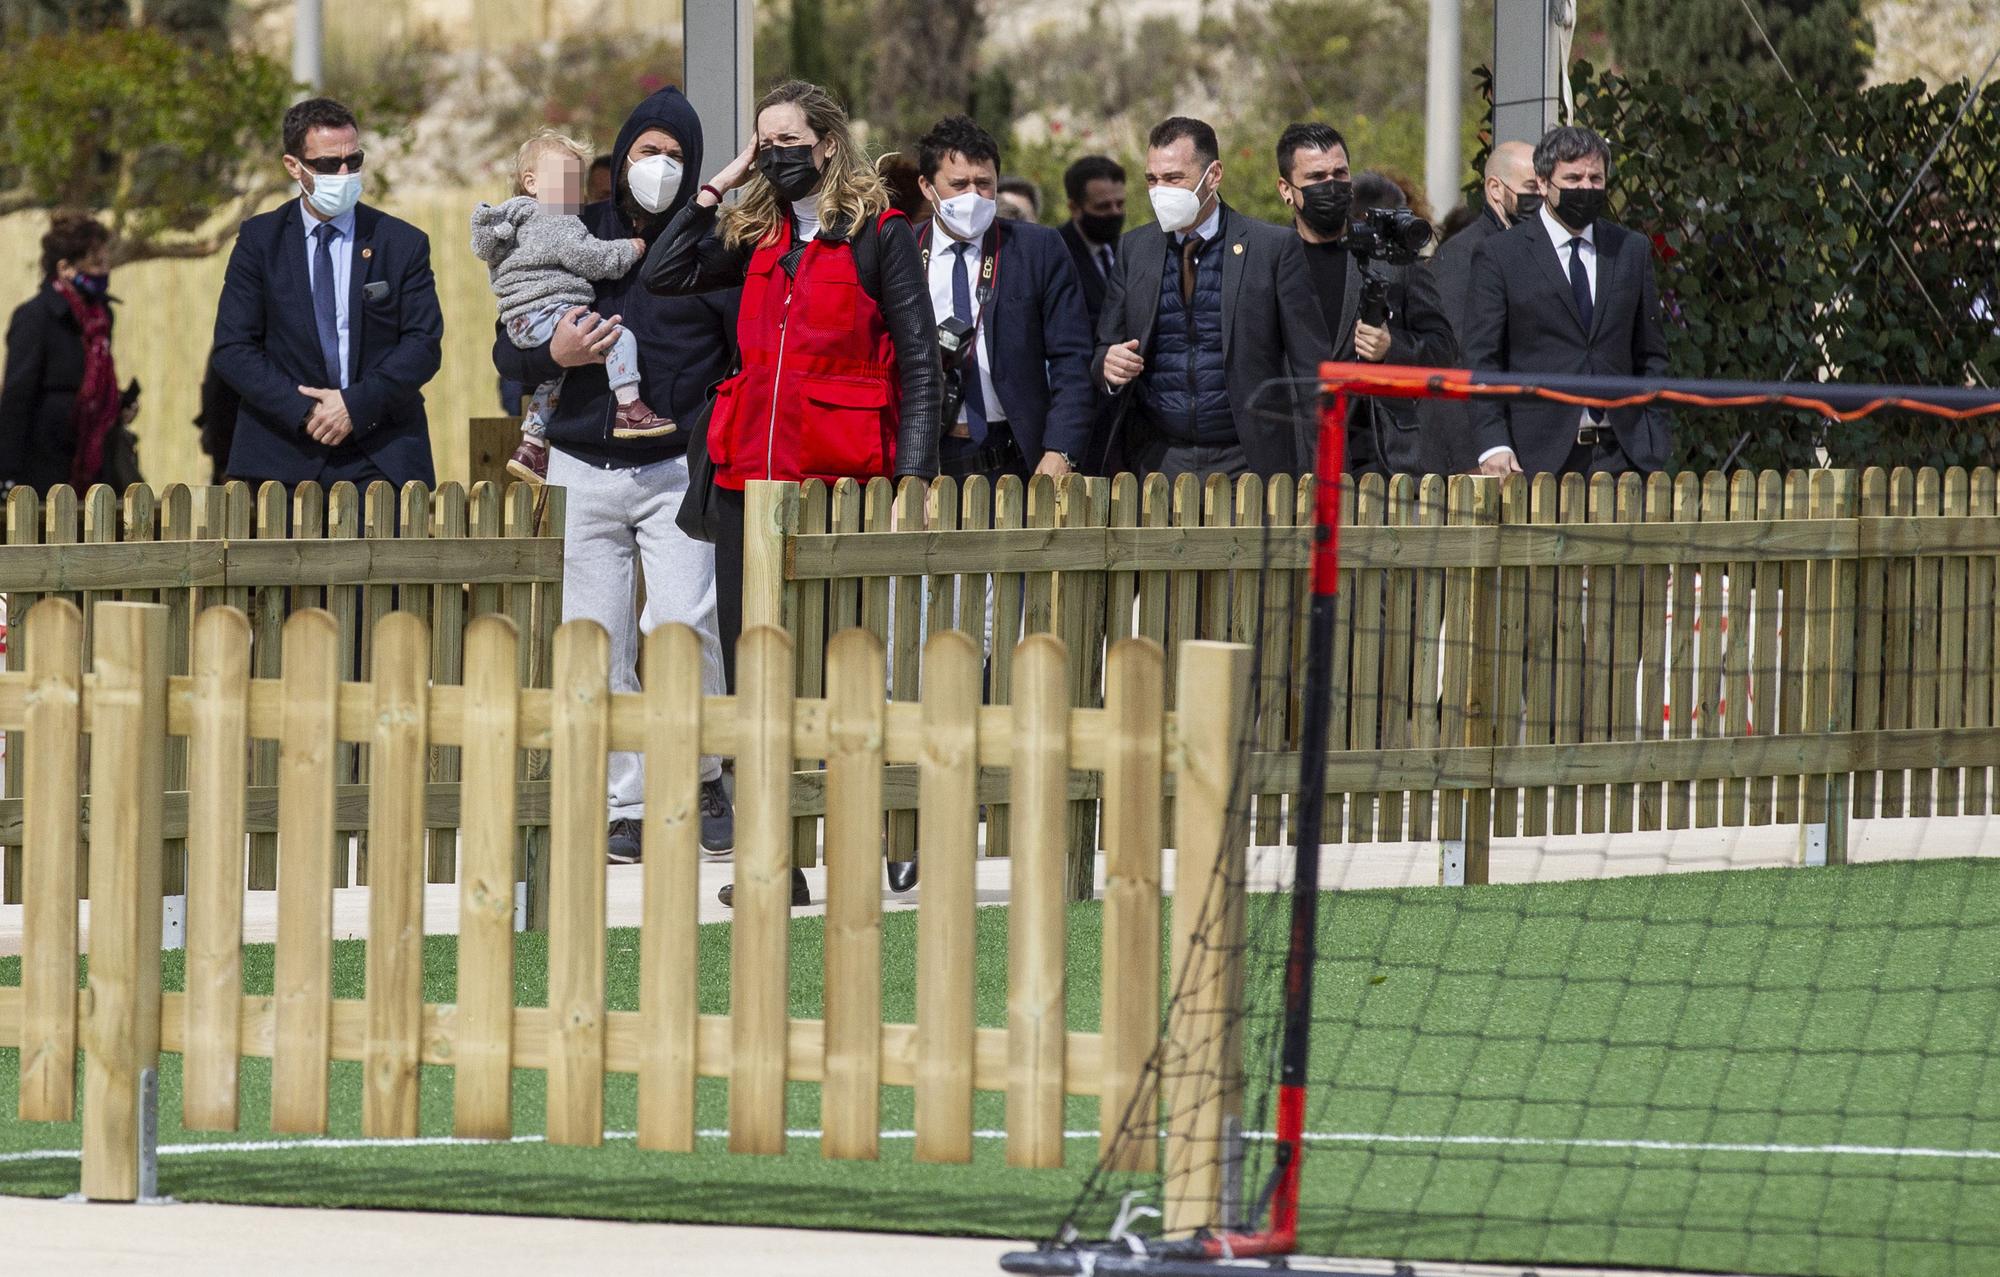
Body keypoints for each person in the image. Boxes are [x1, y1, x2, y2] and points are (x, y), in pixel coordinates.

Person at [644, 78, 940, 908]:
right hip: (749, 484)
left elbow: (920, 363)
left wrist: (912, 476)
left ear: (827, 146)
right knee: (758, 672)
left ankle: (871, 839)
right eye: (763, 140)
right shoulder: (754, 231)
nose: (776, 153)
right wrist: (722, 181)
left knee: (845, 673)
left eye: (788, 141)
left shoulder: (880, 236)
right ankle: (774, 857)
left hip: (840, 482)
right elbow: (665, 272)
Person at [489, 85, 737, 868]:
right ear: (618, 159)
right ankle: (626, 804)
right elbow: (508, 344)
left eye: (672, 156)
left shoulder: (717, 247)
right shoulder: (572, 230)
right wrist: (547, 357)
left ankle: (700, 777)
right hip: (582, 464)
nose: (656, 167)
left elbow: (743, 352)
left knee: (683, 626)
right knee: (596, 642)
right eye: (644, 152)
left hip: (678, 469)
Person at [210, 97, 443, 490]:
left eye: (353, 160)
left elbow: (423, 345)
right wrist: (306, 411)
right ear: (293, 166)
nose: (343, 172)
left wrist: (354, 406)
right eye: (326, 164)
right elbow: (233, 348)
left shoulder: (400, 243)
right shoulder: (259, 241)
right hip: (283, 454)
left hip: (381, 451)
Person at [1093, 116, 1329, 479]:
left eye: (1174, 179)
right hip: (1158, 461)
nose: (1160, 191)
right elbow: (1104, 346)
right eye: (1152, 180)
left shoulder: (1272, 249)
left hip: (1248, 461)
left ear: (1214, 175)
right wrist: (1108, 365)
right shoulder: (1135, 249)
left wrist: (1318, 467)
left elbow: (1310, 367)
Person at [1461, 125, 1671, 477]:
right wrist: (1494, 443)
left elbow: (1650, 353)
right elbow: (1483, 358)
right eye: (1572, 179)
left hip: (1622, 455)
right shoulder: (1501, 255)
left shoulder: (1629, 249)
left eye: (1595, 178)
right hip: (1534, 458)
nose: (1585, 188)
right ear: (1543, 184)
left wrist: (1654, 437)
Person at [472, 128, 672, 485]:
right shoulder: (555, 220)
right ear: (531, 182)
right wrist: (632, 248)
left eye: (575, 182)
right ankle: (629, 407)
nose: (573, 192)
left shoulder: (511, 225)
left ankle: (531, 445)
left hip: (521, 321)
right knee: (617, 336)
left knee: (556, 379)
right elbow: (593, 259)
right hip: (551, 312)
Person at [913, 115, 1095, 484]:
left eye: (984, 184)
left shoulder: (1035, 249)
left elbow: (1072, 358)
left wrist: (1061, 449)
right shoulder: (902, 250)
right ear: (927, 186)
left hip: (1016, 459)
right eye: (958, 184)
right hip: (926, 460)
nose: (973, 196)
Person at [1275, 126, 1454, 477]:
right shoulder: (1266, 260)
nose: (1331, 185)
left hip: (1381, 463)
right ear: (1287, 190)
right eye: (1316, 176)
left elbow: (1444, 349)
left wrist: (1393, 348)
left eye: (1339, 174)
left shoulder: (1392, 259)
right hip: (1292, 465)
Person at [0, 211, 140, 494]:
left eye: (105, 262)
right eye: (95, 263)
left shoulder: (101, 318)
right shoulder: (35, 317)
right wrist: (7, 474)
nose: (104, 271)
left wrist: (117, 404)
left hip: (97, 462)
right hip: (45, 469)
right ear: (65, 268)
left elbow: (94, 384)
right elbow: (17, 398)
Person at [1422, 140, 1540, 474]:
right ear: (1495, 189)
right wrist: (1481, 454)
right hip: (1477, 464)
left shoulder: (1531, 249)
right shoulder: (1464, 256)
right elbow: (1456, 360)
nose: (1542, 199)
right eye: (1531, 187)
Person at [1059, 155, 1126, 329]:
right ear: (1074, 208)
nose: (1115, 213)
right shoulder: (1056, 254)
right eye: (1103, 206)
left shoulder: (1128, 249)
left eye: (1120, 204)